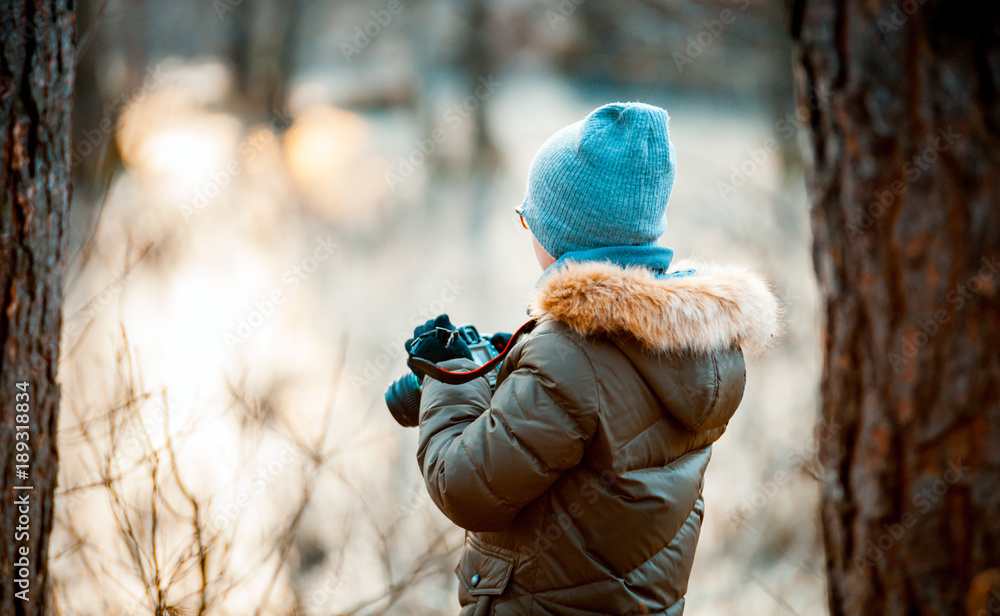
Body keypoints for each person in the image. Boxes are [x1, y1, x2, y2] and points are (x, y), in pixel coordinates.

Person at [404, 102, 781, 615]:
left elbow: (466, 488)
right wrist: (509, 366)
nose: (527, 232)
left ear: (561, 237)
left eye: (528, 220)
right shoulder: (698, 343)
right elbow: (600, 422)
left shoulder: (571, 356)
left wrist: (449, 377)